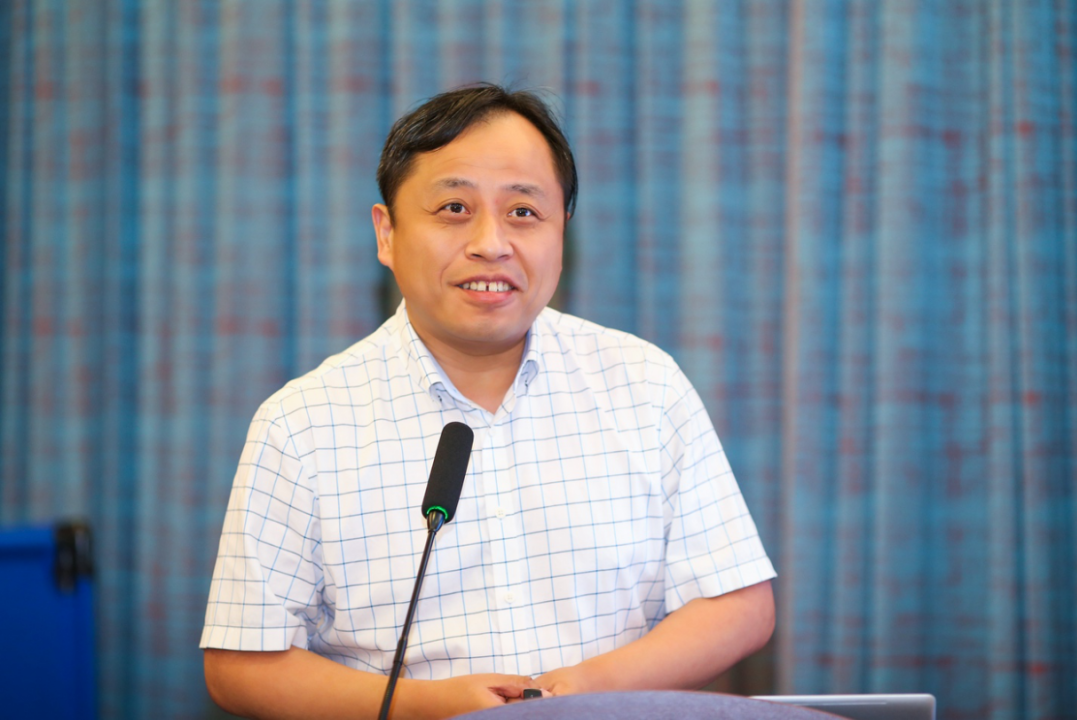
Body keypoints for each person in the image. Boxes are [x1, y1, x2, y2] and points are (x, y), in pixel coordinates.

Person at [201, 83, 776, 720]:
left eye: (524, 212)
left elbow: (738, 605)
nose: (491, 243)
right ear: (386, 233)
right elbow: (241, 663)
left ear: (562, 233)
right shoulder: (302, 424)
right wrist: (426, 707)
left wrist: (586, 691)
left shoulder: (644, 385)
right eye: (454, 208)